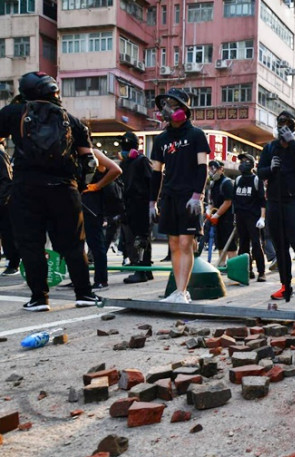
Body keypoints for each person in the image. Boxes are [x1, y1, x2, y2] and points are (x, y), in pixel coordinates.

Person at [0, 72, 102, 311]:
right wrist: (80, 186)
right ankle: (84, 294)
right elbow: (90, 163)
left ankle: (39, 298)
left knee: (31, 244)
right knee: (74, 245)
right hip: (64, 189)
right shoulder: (73, 120)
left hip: (26, 188)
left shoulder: (15, 113)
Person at [150, 88, 211, 304]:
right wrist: (152, 202)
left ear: (184, 110)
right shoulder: (161, 140)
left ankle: (183, 292)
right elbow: (156, 172)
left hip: (189, 197)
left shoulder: (196, 135)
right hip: (169, 197)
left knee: (186, 243)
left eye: (173, 106)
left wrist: (198, 194)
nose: (168, 110)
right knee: (174, 244)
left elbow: (202, 168)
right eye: (166, 105)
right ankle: (178, 290)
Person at [257, 110, 295, 303]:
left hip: (293, 201)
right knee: (279, 245)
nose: (282, 127)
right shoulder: (270, 148)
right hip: (274, 201)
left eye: (287, 124)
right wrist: (270, 169)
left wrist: (291, 143)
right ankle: (285, 286)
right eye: (280, 123)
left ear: (293, 127)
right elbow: (260, 172)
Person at [81, 148, 122, 290]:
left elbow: (116, 170)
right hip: (77, 202)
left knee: (95, 243)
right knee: (77, 245)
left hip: (92, 205)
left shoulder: (93, 153)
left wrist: (97, 186)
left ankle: (101, 280)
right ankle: (79, 279)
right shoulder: (67, 151)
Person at [119, 131, 154, 285]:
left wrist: (152, 203)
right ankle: (146, 270)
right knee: (140, 237)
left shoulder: (142, 161)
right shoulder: (124, 164)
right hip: (130, 204)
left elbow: (152, 182)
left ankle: (142, 271)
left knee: (141, 238)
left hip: (141, 203)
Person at [233, 153, 266, 282]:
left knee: (257, 244)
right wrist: (235, 217)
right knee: (243, 245)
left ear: (252, 164)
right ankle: (247, 270)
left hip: (254, 217)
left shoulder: (256, 180)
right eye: (241, 161)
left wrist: (262, 218)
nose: (242, 163)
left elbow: (263, 201)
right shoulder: (237, 180)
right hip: (241, 217)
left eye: (246, 161)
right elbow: (235, 200)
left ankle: (261, 271)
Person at [207, 160, 237, 267]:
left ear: (221, 169)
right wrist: (208, 211)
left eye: (214, 169)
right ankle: (221, 263)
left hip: (228, 218)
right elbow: (212, 201)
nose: (212, 172)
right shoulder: (213, 184)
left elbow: (228, 202)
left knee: (229, 243)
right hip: (218, 218)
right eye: (210, 169)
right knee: (220, 242)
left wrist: (217, 214)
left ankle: (233, 265)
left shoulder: (227, 183)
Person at [0, 137, 20, 276]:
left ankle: (13, 262)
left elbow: (7, 179)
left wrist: (2, 199)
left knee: (7, 232)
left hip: (3, 201)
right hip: (4, 199)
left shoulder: (0, 154)